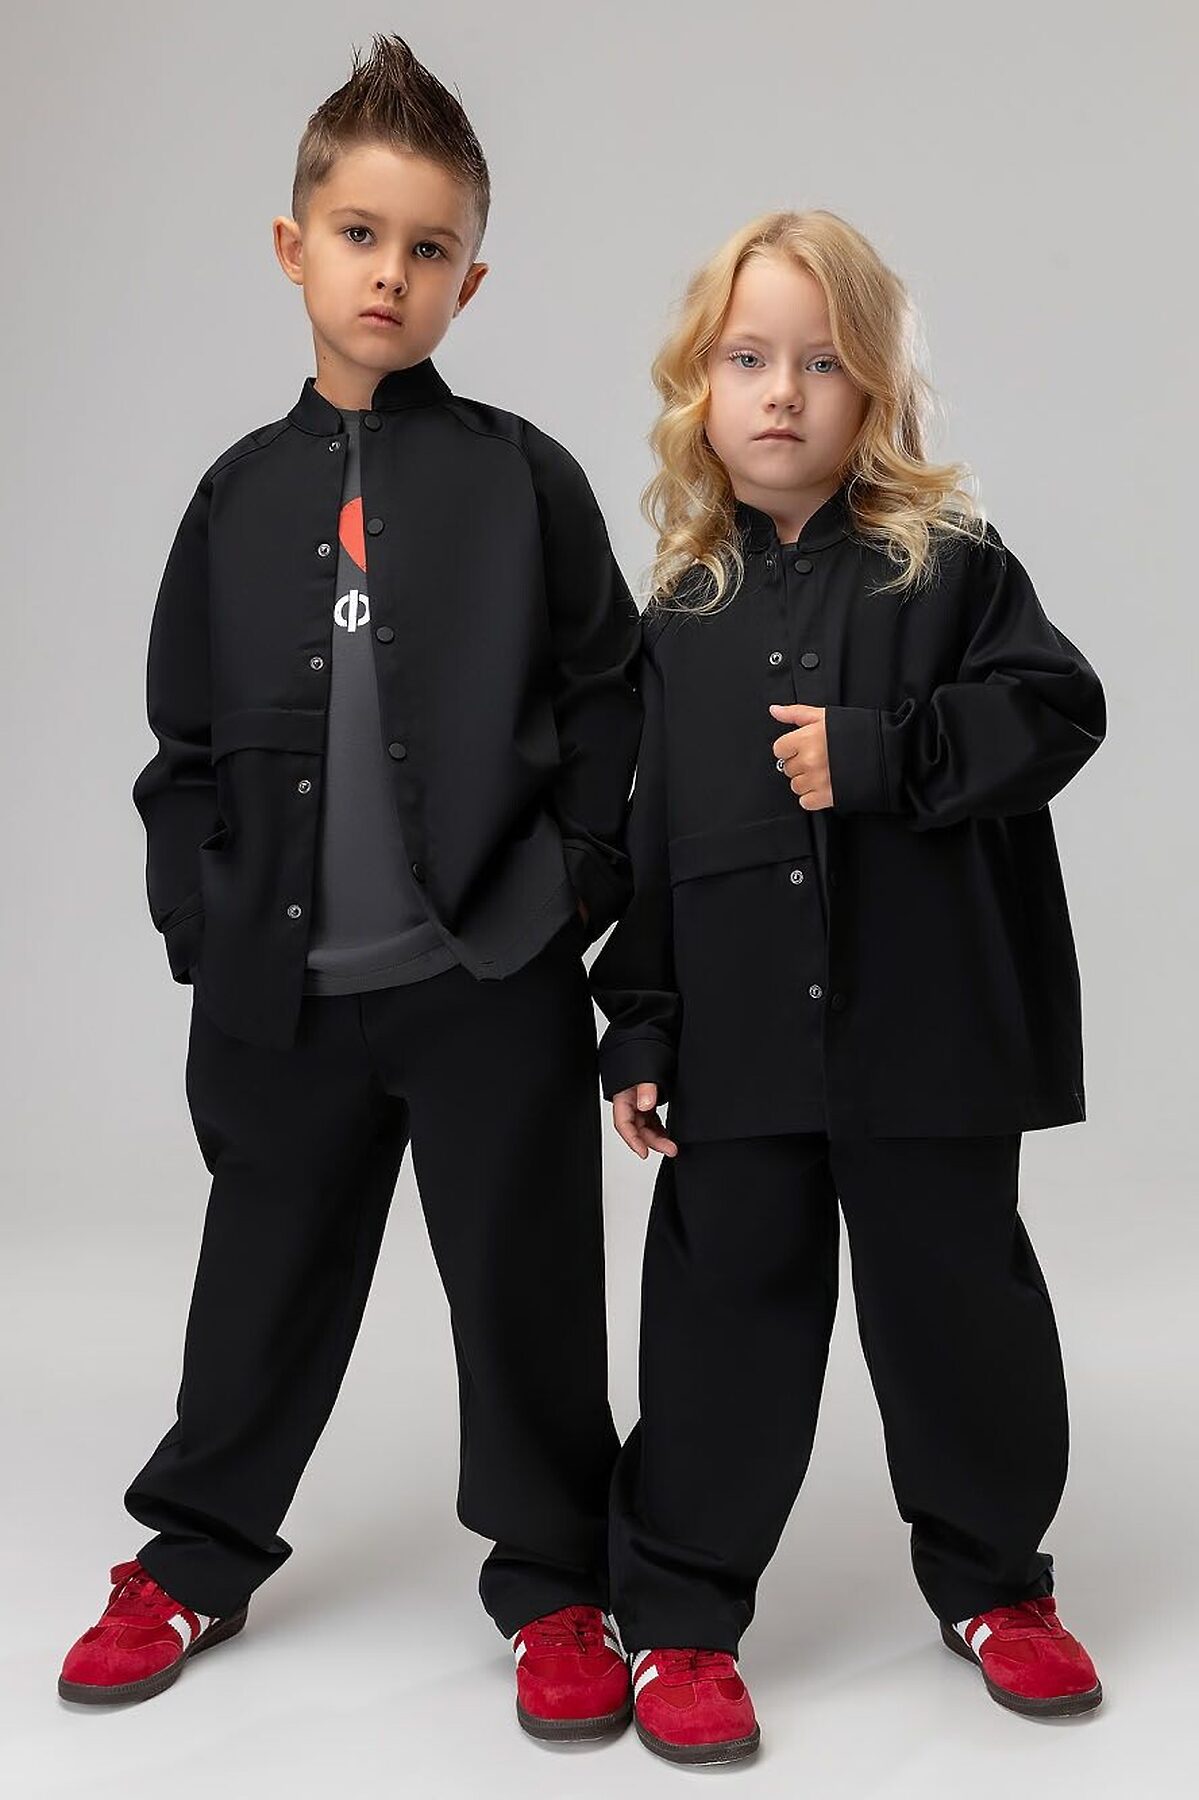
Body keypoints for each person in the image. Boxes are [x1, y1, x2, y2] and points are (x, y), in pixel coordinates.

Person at [58, 34, 638, 1743]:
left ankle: (558, 1582)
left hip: (488, 981)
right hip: (285, 997)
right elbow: (181, 742)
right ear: (293, 245)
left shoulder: (524, 478)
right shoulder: (236, 496)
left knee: (526, 1293)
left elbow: (612, 700)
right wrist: (202, 921)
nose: (392, 272)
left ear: (471, 280)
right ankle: (194, 1555)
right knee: (259, 1287)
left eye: (429, 246)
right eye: (361, 233)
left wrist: (572, 887)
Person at [588, 208, 1107, 1767]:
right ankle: (681, 1616)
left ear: (874, 387)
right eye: (748, 358)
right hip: (741, 1046)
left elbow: (1058, 711)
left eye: (821, 362)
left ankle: (995, 1585)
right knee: (719, 1321)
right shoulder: (678, 618)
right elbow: (650, 842)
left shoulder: (952, 569)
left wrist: (887, 756)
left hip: (926, 1042)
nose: (782, 392)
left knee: (958, 1315)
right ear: (701, 385)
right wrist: (641, 1021)